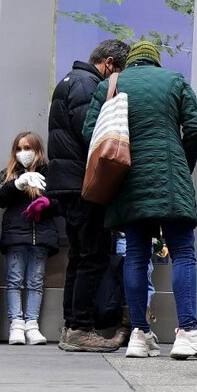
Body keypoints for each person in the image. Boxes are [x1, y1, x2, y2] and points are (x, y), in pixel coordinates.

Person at [83, 40, 197, 360]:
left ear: (130, 61)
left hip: (128, 182)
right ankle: (188, 331)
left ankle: (139, 333)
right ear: (156, 61)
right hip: (169, 178)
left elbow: (89, 132)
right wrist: (181, 160)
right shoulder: (173, 81)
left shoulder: (112, 84)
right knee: (183, 253)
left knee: (136, 255)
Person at [48, 39, 129, 352]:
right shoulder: (86, 85)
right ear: (109, 63)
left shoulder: (70, 80)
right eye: (119, 72)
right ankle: (80, 328)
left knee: (79, 256)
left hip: (67, 184)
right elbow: (92, 132)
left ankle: (71, 327)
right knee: (92, 256)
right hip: (83, 184)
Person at [0, 132, 59, 346]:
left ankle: (32, 325)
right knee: (14, 281)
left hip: (42, 236)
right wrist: (17, 183)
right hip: (16, 236)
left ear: (37, 150)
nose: (23, 153)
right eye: (19, 149)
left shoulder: (49, 173)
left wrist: (46, 202)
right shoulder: (9, 172)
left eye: (27, 148)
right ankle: (16, 324)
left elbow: (62, 201)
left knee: (35, 282)